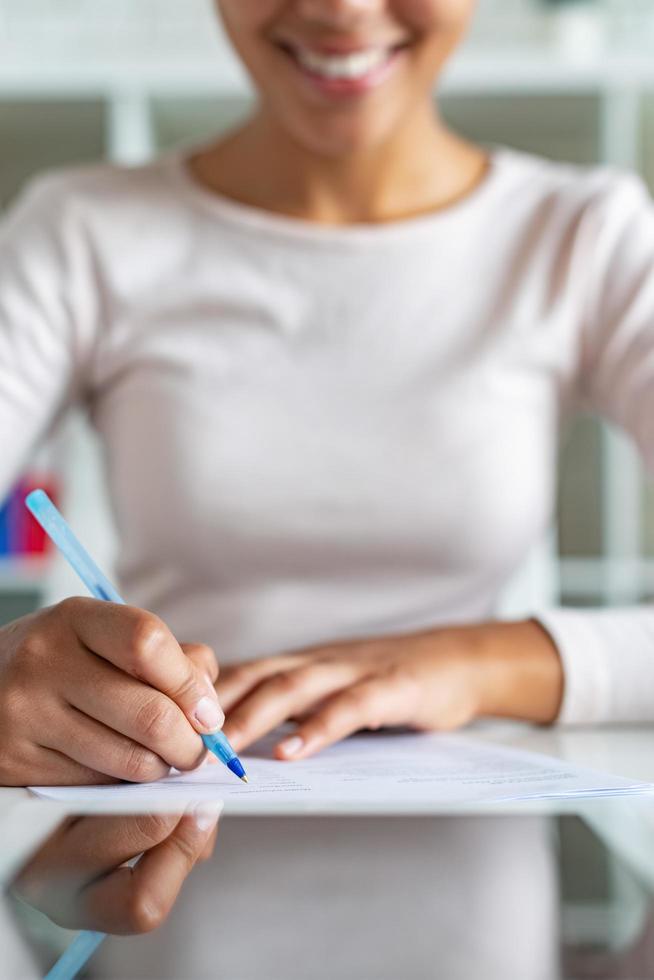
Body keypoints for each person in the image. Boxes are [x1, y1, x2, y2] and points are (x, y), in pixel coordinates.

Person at [1, 0, 654, 789]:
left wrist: (476, 663)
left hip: (483, 854)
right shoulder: (78, 233)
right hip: (169, 839)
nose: (342, 8)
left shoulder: (589, 237)